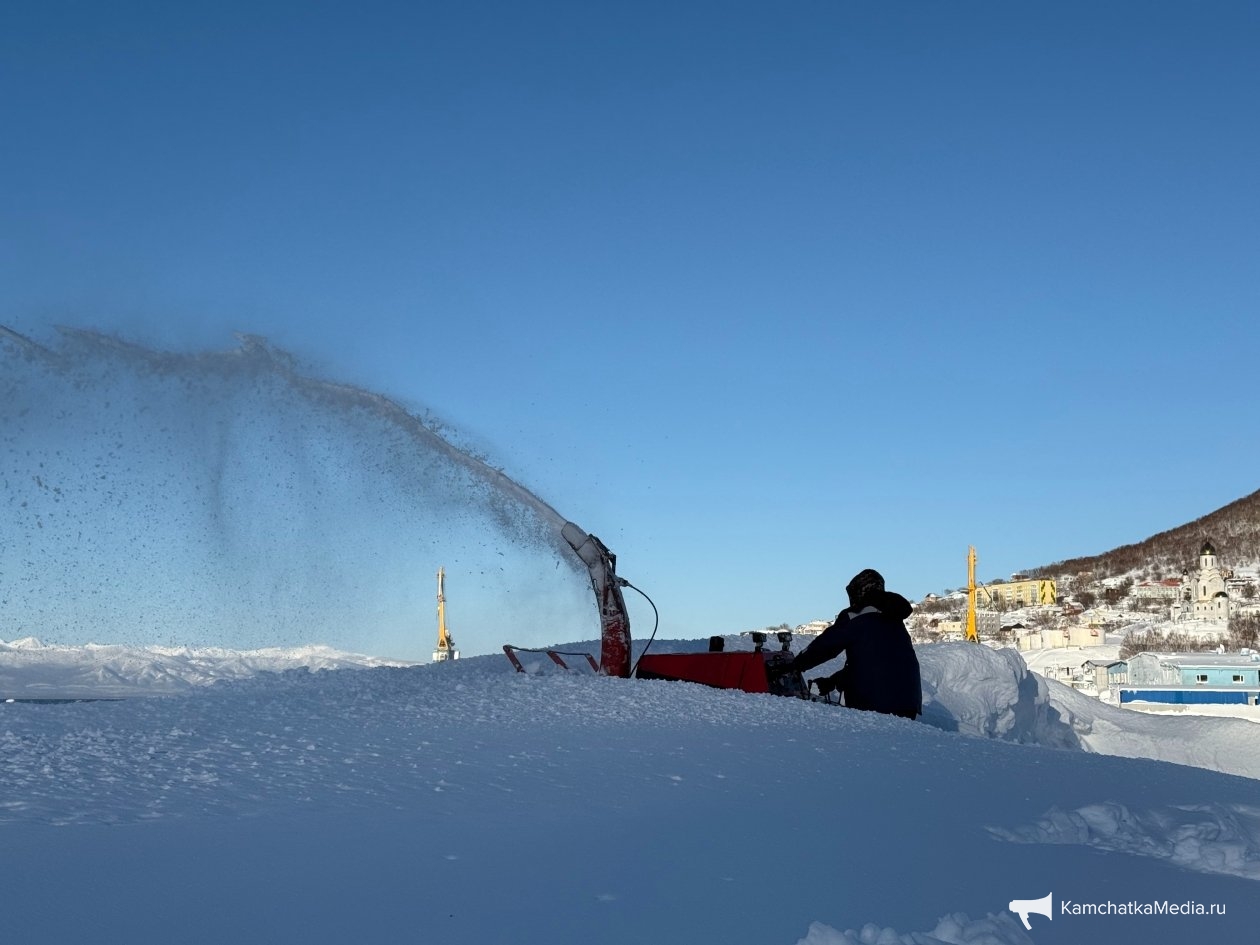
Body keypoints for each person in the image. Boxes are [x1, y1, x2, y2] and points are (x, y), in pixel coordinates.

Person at [783, 568, 921, 720]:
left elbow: (825, 646)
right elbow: (873, 665)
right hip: (908, 703)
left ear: (859, 591)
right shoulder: (894, 619)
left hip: (874, 703)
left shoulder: (856, 614)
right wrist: (832, 681)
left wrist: (795, 665)